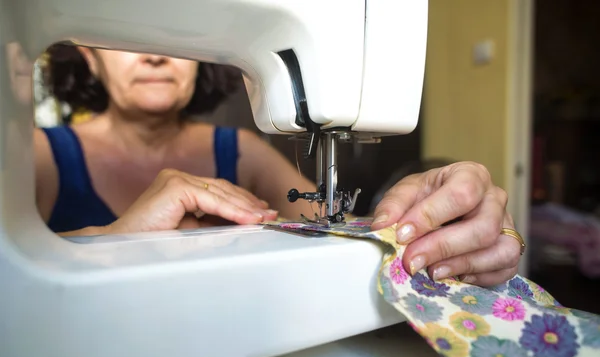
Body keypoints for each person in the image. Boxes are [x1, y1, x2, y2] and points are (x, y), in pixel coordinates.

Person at [34, 44, 523, 287]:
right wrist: (113, 239)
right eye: (134, 36)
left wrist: (434, 224)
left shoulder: (240, 151)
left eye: (171, 43)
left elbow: (341, 230)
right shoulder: (38, 156)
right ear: (87, 54)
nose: (158, 57)